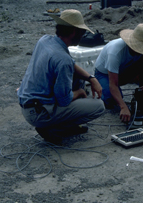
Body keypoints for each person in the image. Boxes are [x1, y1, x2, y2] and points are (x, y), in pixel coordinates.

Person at [17, 9, 105, 144]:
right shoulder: (62, 59)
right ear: (74, 32)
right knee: (99, 106)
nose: (83, 36)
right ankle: (53, 128)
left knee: (78, 79)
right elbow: (64, 100)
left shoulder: (45, 40)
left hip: (29, 104)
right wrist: (80, 92)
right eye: (82, 32)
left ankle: (59, 123)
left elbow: (71, 64)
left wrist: (91, 78)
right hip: (38, 113)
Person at [94, 23, 143, 123]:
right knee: (112, 100)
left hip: (124, 70)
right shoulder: (115, 50)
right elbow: (113, 84)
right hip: (104, 74)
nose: (141, 50)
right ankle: (100, 87)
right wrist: (123, 107)